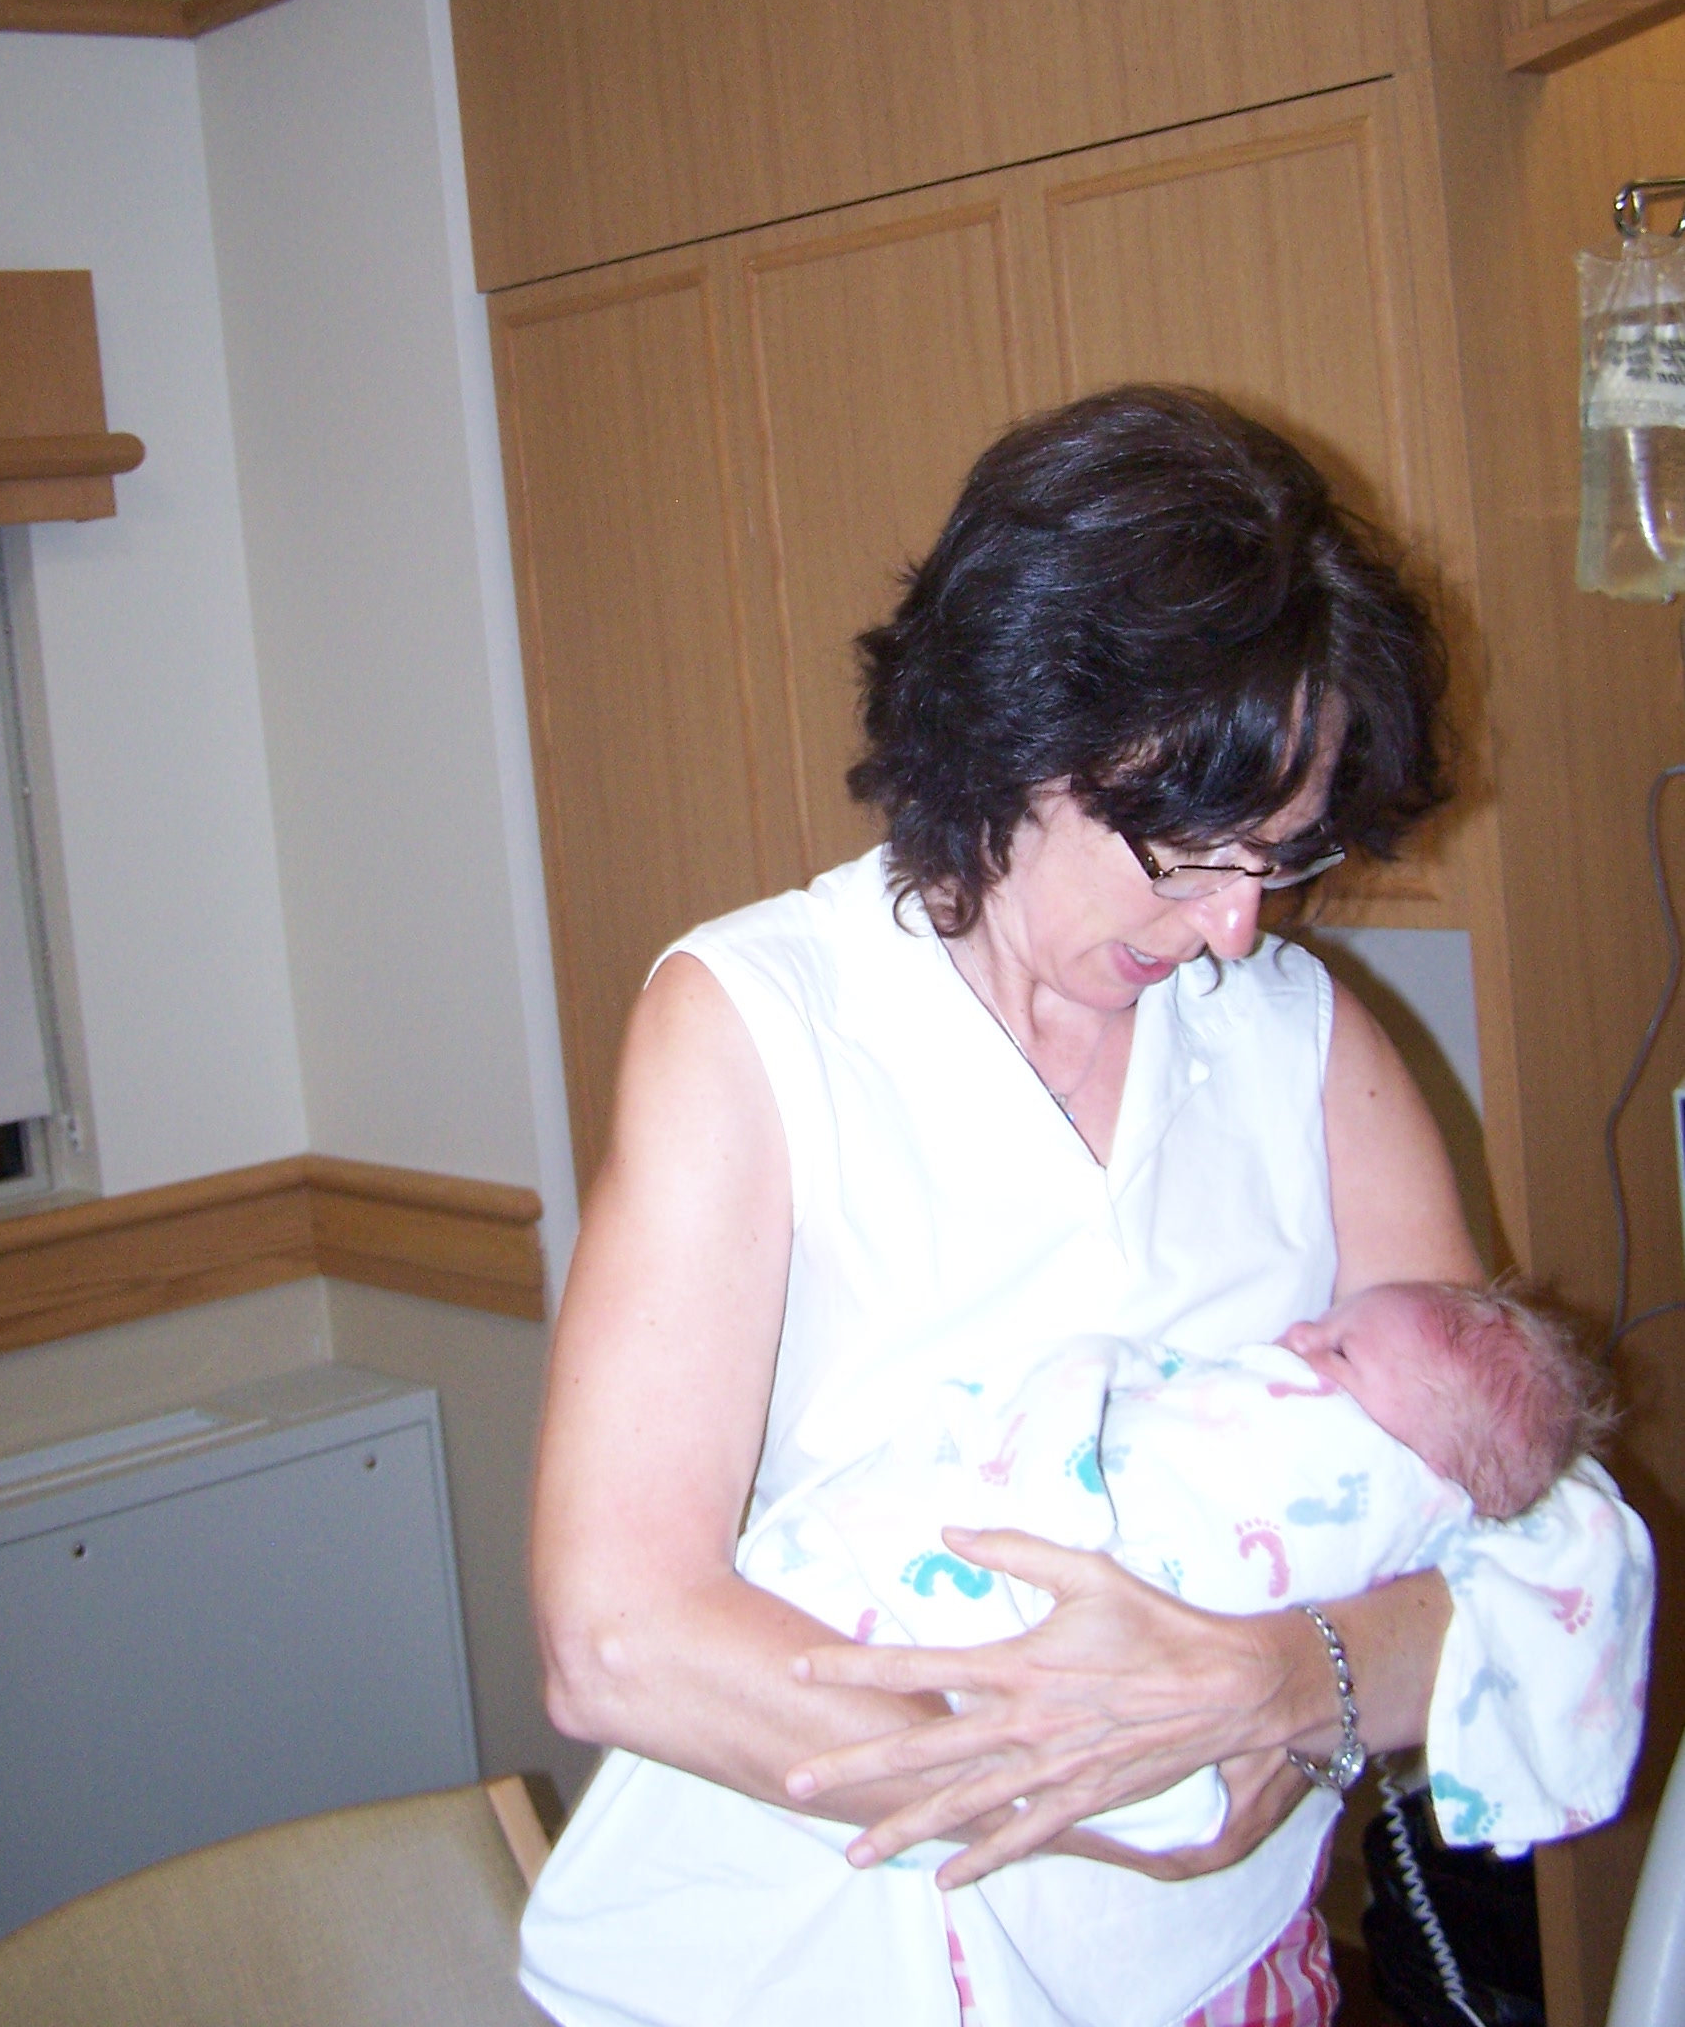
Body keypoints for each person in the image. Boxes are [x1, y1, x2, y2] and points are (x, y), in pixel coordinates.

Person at [522, 389, 1653, 2027]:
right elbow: (618, 1637)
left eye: (1282, 860)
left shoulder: (1304, 1042)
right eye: (1189, 855)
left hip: (1235, 1976)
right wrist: (1120, 1788)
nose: (1238, 933)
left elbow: (1519, 1529)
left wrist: (1287, 1689)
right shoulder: (762, 1026)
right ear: (1009, 737)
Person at [737, 1279, 1621, 1872]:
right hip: (810, 1734)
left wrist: (1283, 1681)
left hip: (1192, 1889)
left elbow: (1527, 1588)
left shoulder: (1403, 1478)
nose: (1298, 1336)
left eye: (1339, 1352)